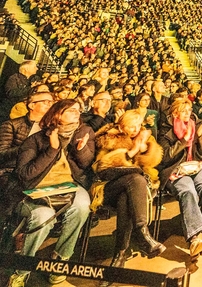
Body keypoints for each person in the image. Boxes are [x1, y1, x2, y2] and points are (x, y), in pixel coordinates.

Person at [9, 99, 94, 286]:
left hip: (68, 186)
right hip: (36, 190)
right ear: (57, 114)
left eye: (78, 111)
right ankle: (22, 269)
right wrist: (52, 149)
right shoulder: (36, 139)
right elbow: (25, 175)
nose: (77, 113)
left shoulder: (82, 134)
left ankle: (60, 260)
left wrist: (81, 150)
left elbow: (86, 165)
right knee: (42, 217)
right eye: (71, 110)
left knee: (82, 206)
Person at [93, 110, 165, 269]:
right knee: (135, 178)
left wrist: (145, 148)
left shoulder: (144, 138)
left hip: (132, 191)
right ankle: (143, 235)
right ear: (120, 126)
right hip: (108, 188)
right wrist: (131, 152)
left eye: (139, 125)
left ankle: (120, 253)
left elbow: (153, 162)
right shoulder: (109, 138)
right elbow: (104, 170)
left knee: (125, 199)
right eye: (131, 126)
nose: (136, 129)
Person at [157, 99, 202, 257]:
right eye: (184, 111)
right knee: (188, 190)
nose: (188, 114)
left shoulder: (192, 126)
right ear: (175, 112)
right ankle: (194, 238)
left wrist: (201, 137)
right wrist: (183, 141)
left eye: (189, 110)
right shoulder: (165, 131)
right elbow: (165, 157)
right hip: (175, 169)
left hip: (194, 164)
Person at [0, 90, 54, 176]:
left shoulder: (52, 126)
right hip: (14, 170)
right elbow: (2, 154)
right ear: (32, 105)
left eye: (52, 102)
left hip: (44, 170)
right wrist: (27, 147)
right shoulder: (12, 125)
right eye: (46, 102)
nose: (50, 105)